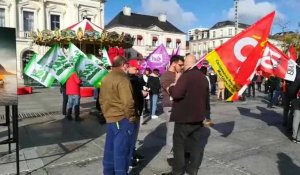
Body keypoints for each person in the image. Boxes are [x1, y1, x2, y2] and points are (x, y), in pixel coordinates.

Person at [165, 54, 209, 175]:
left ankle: (178, 171)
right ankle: (193, 169)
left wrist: (171, 88)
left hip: (184, 117)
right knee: (195, 144)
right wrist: (206, 115)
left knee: (179, 144)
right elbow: (206, 99)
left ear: (187, 64)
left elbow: (177, 94)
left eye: (184, 63)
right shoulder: (203, 77)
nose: (182, 66)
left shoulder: (186, 76)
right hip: (198, 117)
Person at [99, 56, 137, 175]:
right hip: (122, 118)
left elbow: (101, 99)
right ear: (124, 65)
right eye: (128, 65)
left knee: (110, 151)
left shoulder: (106, 77)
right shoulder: (122, 78)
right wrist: (131, 117)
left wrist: (107, 114)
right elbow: (128, 102)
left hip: (111, 118)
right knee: (122, 152)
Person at [160, 55, 184, 162]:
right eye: (180, 65)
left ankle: (180, 151)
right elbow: (170, 90)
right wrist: (178, 80)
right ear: (173, 64)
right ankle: (169, 155)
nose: (182, 67)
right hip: (170, 105)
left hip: (180, 105)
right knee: (171, 130)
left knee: (180, 130)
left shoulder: (180, 74)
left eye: (183, 65)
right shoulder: (165, 75)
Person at [127, 59, 145, 167]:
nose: (137, 70)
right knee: (130, 136)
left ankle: (133, 153)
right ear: (129, 67)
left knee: (134, 135)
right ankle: (129, 159)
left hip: (138, 110)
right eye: (135, 68)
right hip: (132, 111)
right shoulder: (127, 79)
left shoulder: (136, 78)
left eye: (138, 69)